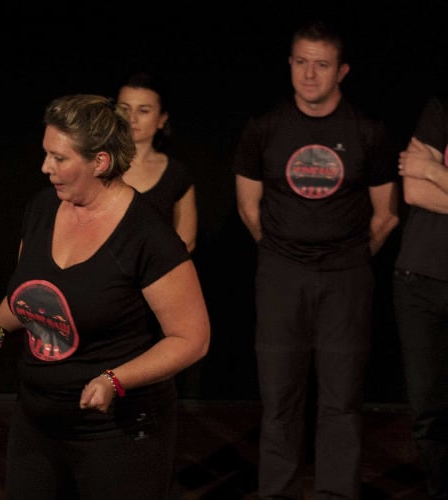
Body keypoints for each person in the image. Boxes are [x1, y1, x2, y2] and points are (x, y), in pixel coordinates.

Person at [0, 94, 211, 500]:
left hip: (116, 431)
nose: (45, 167)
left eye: (58, 158)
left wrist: (114, 380)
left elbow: (192, 339)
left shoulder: (147, 238)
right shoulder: (42, 209)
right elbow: (28, 296)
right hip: (37, 422)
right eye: (46, 154)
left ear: (99, 162)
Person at [232, 20, 399, 499]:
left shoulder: (368, 130)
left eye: (321, 65)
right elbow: (248, 206)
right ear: (290, 64)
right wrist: (284, 253)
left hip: (346, 277)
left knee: (341, 399)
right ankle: (277, 492)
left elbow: (387, 214)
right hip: (280, 275)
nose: (309, 74)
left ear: (341, 71)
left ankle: (336, 493)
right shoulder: (264, 127)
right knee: (279, 397)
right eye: (301, 62)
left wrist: (347, 258)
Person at [393, 95, 448, 499]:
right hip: (420, 281)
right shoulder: (441, 110)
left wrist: (432, 169)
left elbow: (420, 175)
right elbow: (412, 191)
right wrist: (424, 177)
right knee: (429, 410)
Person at [116, 72, 198, 253]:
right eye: (124, 109)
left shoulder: (176, 174)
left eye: (143, 110)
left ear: (162, 119)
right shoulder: (96, 165)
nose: (132, 118)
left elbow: (186, 241)